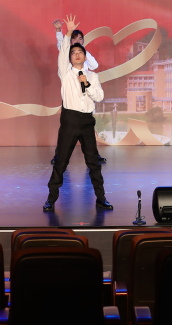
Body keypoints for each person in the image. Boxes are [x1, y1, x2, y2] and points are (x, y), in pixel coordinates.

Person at [44, 14, 113, 212]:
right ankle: (51, 199)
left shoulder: (92, 76)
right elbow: (63, 51)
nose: (76, 54)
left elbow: (99, 96)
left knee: (93, 163)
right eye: (73, 52)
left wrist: (87, 84)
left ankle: (101, 198)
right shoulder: (65, 74)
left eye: (80, 52)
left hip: (87, 121)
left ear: (85, 56)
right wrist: (66, 33)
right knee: (61, 162)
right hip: (70, 120)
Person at [51, 18, 106, 164]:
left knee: (88, 131)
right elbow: (61, 46)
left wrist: (83, 52)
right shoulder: (68, 55)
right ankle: (59, 156)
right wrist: (59, 31)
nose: (78, 41)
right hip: (71, 96)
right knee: (65, 130)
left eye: (80, 38)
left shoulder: (84, 55)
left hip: (85, 94)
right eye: (75, 38)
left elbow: (94, 65)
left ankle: (94, 156)